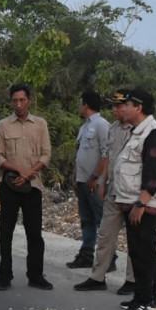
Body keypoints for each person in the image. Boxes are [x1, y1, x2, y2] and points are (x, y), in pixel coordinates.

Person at [111, 89, 156, 310]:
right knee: (140, 251)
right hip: (133, 202)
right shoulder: (139, 132)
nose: (122, 108)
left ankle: (143, 303)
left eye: (126, 104)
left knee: (142, 252)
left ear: (139, 107)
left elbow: (153, 173)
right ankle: (146, 296)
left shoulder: (154, 134)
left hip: (143, 205)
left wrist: (141, 203)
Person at [0, 82, 52, 291]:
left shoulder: (40, 124)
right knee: (5, 232)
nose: (18, 104)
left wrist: (28, 174)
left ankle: (35, 275)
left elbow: (46, 154)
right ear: (10, 102)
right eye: (15, 100)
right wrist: (17, 170)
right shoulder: (2, 125)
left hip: (32, 187)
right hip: (9, 186)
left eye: (22, 100)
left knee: (34, 234)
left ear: (29, 101)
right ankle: (4, 276)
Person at [74, 89, 133, 293]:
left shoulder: (135, 130)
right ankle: (93, 267)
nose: (115, 110)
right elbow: (100, 155)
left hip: (122, 190)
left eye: (119, 106)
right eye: (113, 106)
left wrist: (97, 179)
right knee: (97, 227)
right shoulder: (109, 128)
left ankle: (126, 274)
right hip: (101, 186)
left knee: (122, 233)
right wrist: (93, 180)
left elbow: (107, 156)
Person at [66, 91, 110, 270]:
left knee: (102, 221)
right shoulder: (84, 127)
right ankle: (86, 254)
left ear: (86, 105)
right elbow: (80, 154)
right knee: (86, 219)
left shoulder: (102, 125)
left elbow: (107, 154)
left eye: (80, 104)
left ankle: (109, 257)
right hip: (83, 181)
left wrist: (95, 177)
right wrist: (76, 176)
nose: (79, 107)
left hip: (95, 183)